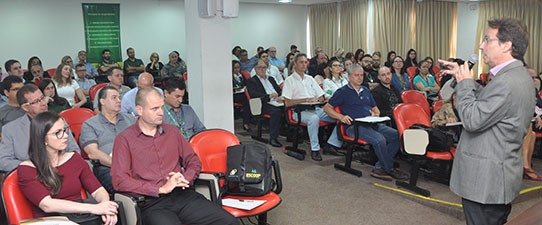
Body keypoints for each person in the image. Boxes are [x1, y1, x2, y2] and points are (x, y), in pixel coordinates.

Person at [438, 18, 533, 224]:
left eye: (487, 40)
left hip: (486, 180)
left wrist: (464, 85)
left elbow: (472, 119)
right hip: (498, 174)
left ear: (506, 45)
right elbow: (493, 105)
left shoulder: (506, 82)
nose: (481, 46)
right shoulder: (518, 76)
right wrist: (468, 82)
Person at [111, 87, 238, 225]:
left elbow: (193, 161)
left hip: (182, 195)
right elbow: (119, 181)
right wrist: (159, 189)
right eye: (154, 109)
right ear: (140, 110)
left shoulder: (172, 132)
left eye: (161, 107)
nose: (161, 113)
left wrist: (186, 178)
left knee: (228, 221)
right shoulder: (125, 139)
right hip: (152, 203)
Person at [17, 111, 118, 224]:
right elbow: (47, 205)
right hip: (52, 221)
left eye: (65, 130)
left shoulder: (74, 158)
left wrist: (105, 207)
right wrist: (95, 208)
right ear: (43, 139)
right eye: (58, 133)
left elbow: (98, 190)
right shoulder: (27, 169)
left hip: (79, 218)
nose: (65, 136)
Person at [323, 64, 408, 181]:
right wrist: (341, 116)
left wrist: (375, 115)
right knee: (379, 140)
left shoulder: (366, 90)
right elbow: (327, 108)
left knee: (398, 136)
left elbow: (376, 110)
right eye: (356, 75)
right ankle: (389, 168)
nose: (359, 78)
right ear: (349, 77)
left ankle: (379, 167)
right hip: (354, 127)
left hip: (371, 123)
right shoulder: (342, 92)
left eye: (361, 75)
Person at [0, 84, 80, 172]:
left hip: (62, 170)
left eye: (42, 98)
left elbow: (74, 150)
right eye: (36, 101)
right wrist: (33, 166)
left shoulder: (59, 121)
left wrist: (60, 164)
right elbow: (4, 161)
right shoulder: (10, 129)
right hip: (31, 176)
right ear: (25, 107)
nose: (43, 103)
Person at [282, 53, 340, 161]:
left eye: (305, 62)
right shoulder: (289, 80)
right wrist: (305, 100)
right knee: (314, 118)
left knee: (339, 116)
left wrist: (318, 99)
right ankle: (315, 149)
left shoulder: (310, 79)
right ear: (295, 64)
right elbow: (287, 103)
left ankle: (331, 144)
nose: (304, 65)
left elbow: (322, 96)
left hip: (315, 108)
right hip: (298, 112)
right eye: (301, 62)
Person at [81, 86, 136, 193]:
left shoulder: (130, 119)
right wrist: (120, 166)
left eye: (119, 98)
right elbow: (93, 153)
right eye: (114, 98)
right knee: (128, 186)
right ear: (102, 101)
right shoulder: (90, 124)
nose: (119, 101)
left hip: (136, 163)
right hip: (108, 167)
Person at [246, 60, 284, 147]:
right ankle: (273, 138)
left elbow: (279, 90)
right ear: (255, 69)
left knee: (290, 107)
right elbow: (253, 94)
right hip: (263, 103)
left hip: (276, 101)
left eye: (264, 67)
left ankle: (288, 133)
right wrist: (268, 96)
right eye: (260, 68)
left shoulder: (271, 78)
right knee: (276, 111)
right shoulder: (252, 81)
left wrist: (279, 96)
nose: (262, 70)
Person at [232, 60, 251, 131]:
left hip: (242, 93)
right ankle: (246, 123)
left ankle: (247, 122)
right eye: (235, 68)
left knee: (247, 102)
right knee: (246, 101)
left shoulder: (241, 75)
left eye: (238, 68)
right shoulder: (230, 76)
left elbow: (246, 84)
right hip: (234, 95)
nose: (237, 70)